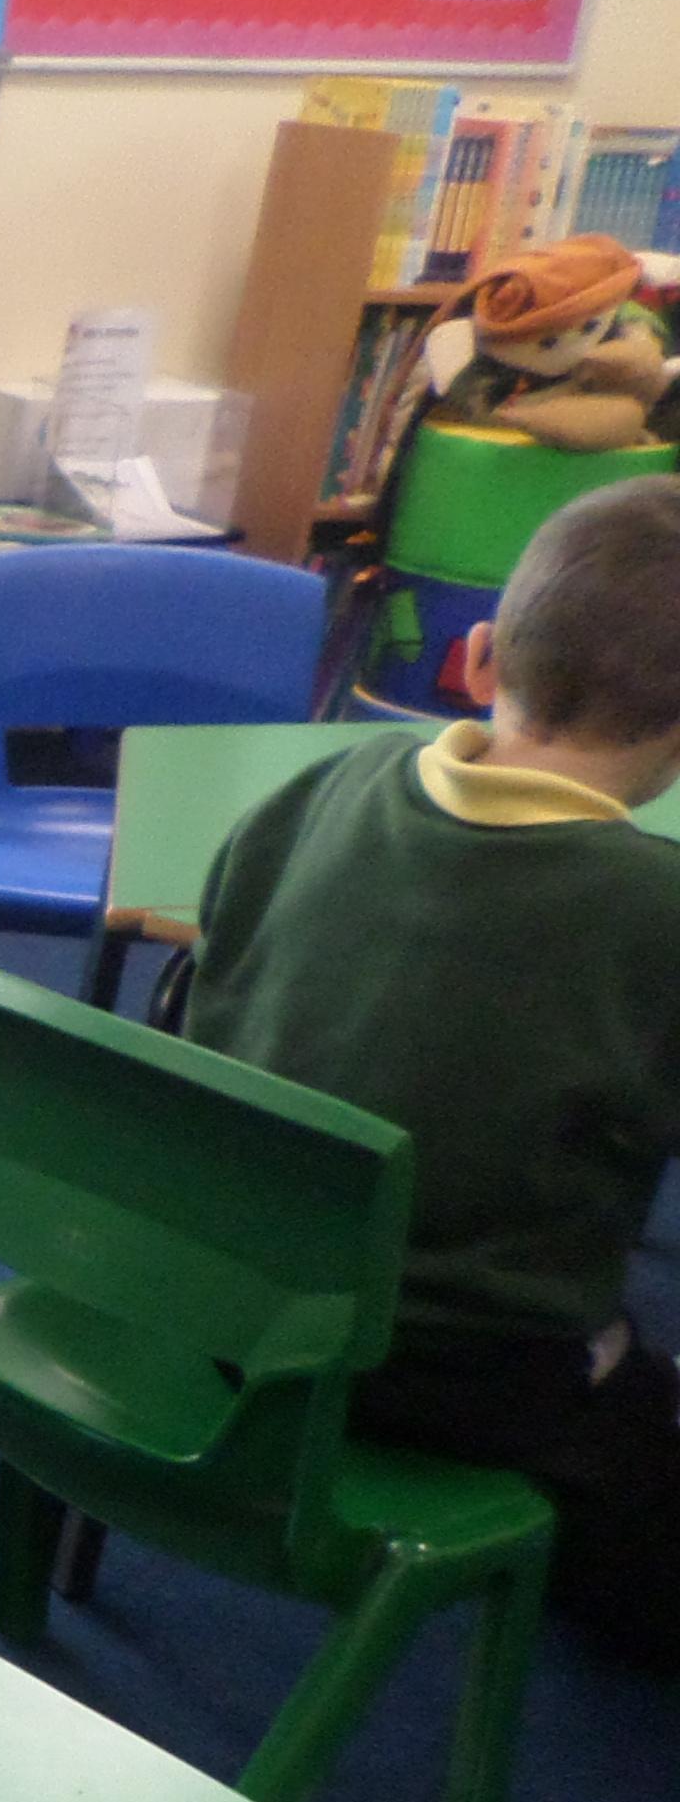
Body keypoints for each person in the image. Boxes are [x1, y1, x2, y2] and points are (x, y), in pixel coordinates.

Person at [186, 474, 680, 1669]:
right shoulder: (655, 913)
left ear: (476, 656)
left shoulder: (317, 789)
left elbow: (208, 993)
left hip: (226, 1300)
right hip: (458, 1379)